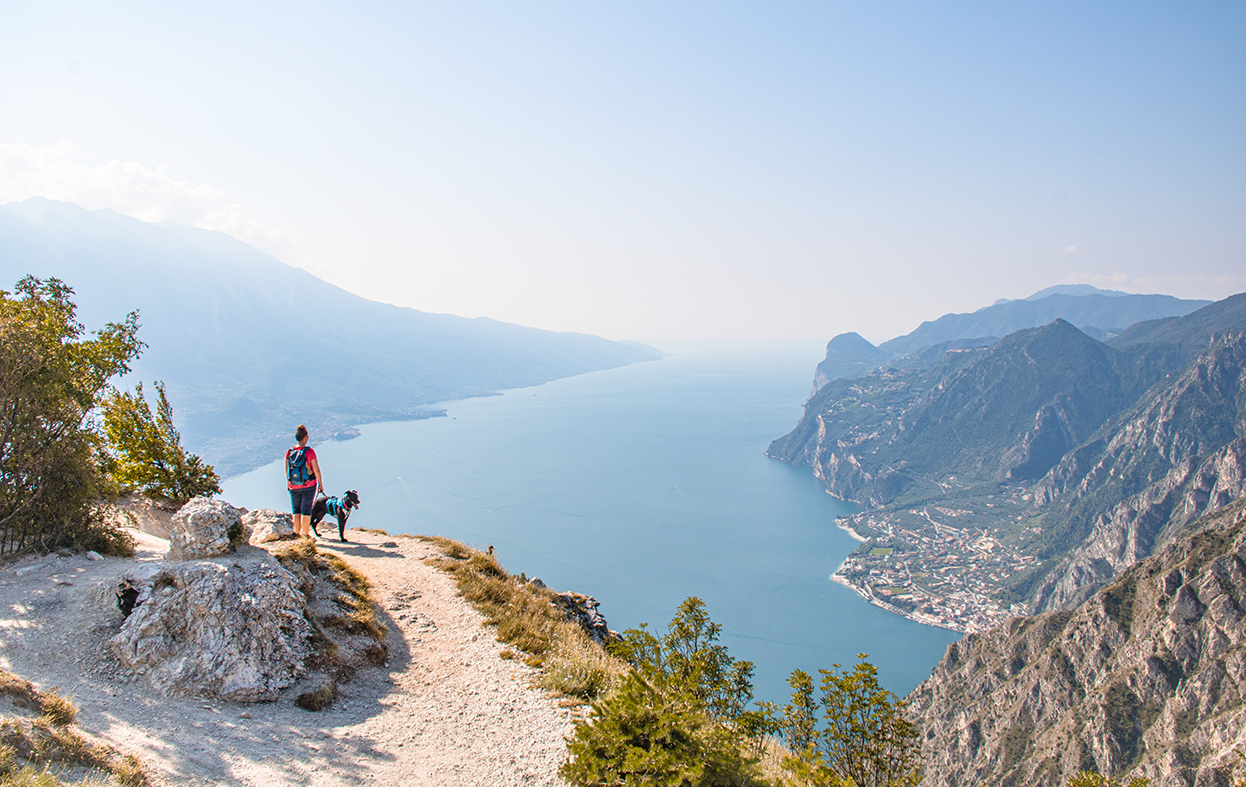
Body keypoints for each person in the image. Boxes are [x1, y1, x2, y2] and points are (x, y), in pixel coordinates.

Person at [286, 424, 323, 538]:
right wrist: (320, 485)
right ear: (306, 437)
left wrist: (289, 483)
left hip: (294, 485)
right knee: (306, 510)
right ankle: (306, 535)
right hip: (309, 485)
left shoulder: (290, 451)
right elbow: (316, 469)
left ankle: (297, 534)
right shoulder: (309, 451)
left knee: (296, 510)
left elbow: (287, 469)